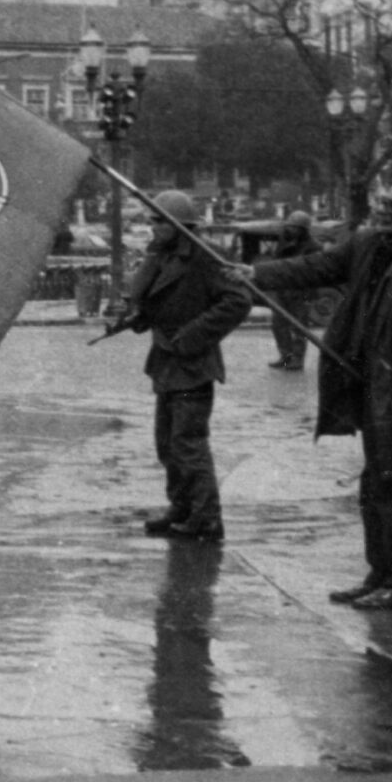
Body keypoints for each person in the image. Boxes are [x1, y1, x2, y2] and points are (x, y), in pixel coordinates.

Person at [247, 171, 392, 612]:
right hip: (366, 382)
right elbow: (315, 267)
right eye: (380, 203)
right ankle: (379, 574)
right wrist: (255, 273)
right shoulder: (367, 244)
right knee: (373, 487)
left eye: (391, 208)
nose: (379, 212)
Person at [116, 191, 250, 542]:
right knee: (167, 442)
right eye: (152, 220)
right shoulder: (160, 256)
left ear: (179, 225)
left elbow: (238, 300)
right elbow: (155, 300)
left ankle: (206, 518)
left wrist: (193, 335)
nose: (153, 227)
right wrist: (137, 315)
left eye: (160, 221)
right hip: (166, 359)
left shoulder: (203, 257)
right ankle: (182, 507)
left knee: (188, 443)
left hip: (193, 362)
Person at [265, 212, 320, 370]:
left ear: (303, 230)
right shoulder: (284, 242)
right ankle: (285, 356)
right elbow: (276, 262)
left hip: (300, 290)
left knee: (299, 327)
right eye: (290, 227)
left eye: (295, 228)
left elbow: (314, 271)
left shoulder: (313, 246)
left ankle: (297, 359)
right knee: (278, 325)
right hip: (283, 288)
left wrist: (309, 293)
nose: (291, 230)